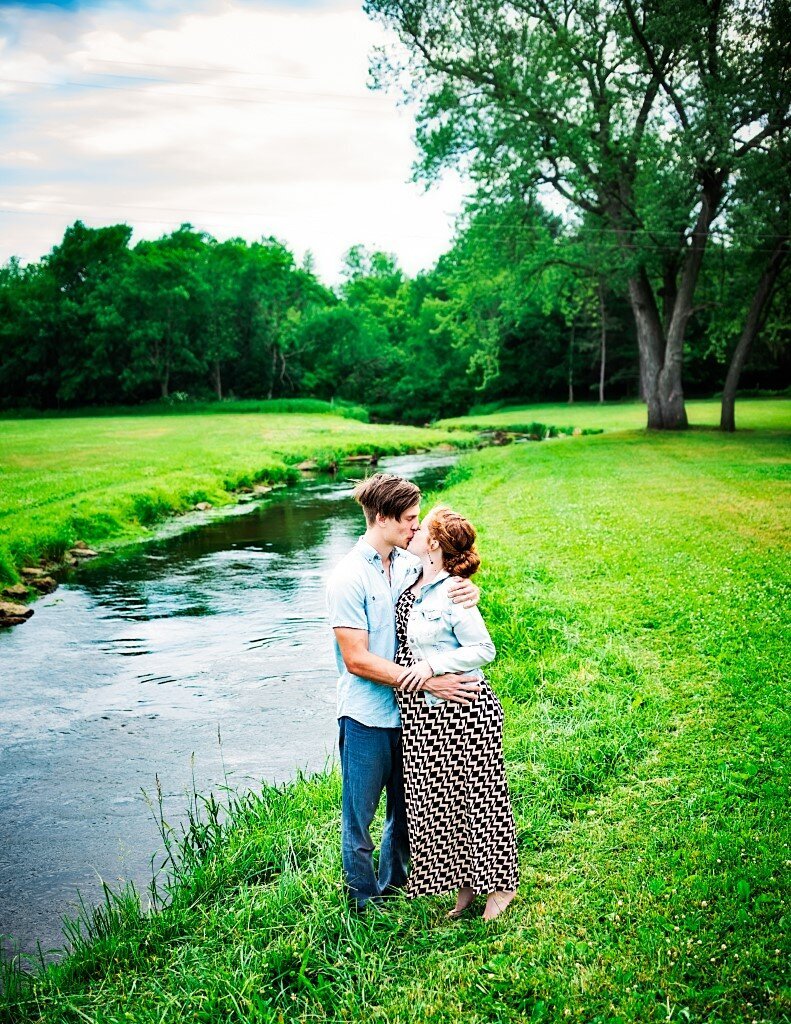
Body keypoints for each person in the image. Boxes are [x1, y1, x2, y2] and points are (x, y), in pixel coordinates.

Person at [326, 473, 481, 913]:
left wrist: (469, 588)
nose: (417, 527)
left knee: (406, 813)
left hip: (412, 717)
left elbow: (446, 574)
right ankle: (363, 904)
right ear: (382, 517)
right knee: (359, 820)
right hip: (365, 716)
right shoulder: (347, 578)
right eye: (410, 519)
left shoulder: (409, 564)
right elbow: (356, 660)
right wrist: (428, 680)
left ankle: (393, 889)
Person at [395, 505, 518, 920]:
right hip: (423, 715)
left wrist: (432, 666)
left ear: (433, 543)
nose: (410, 529)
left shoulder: (452, 591)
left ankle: (502, 888)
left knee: (481, 801)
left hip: (465, 710)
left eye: (419, 526)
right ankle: (465, 892)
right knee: (444, 806)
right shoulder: (408, 580)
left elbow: (485, 649)